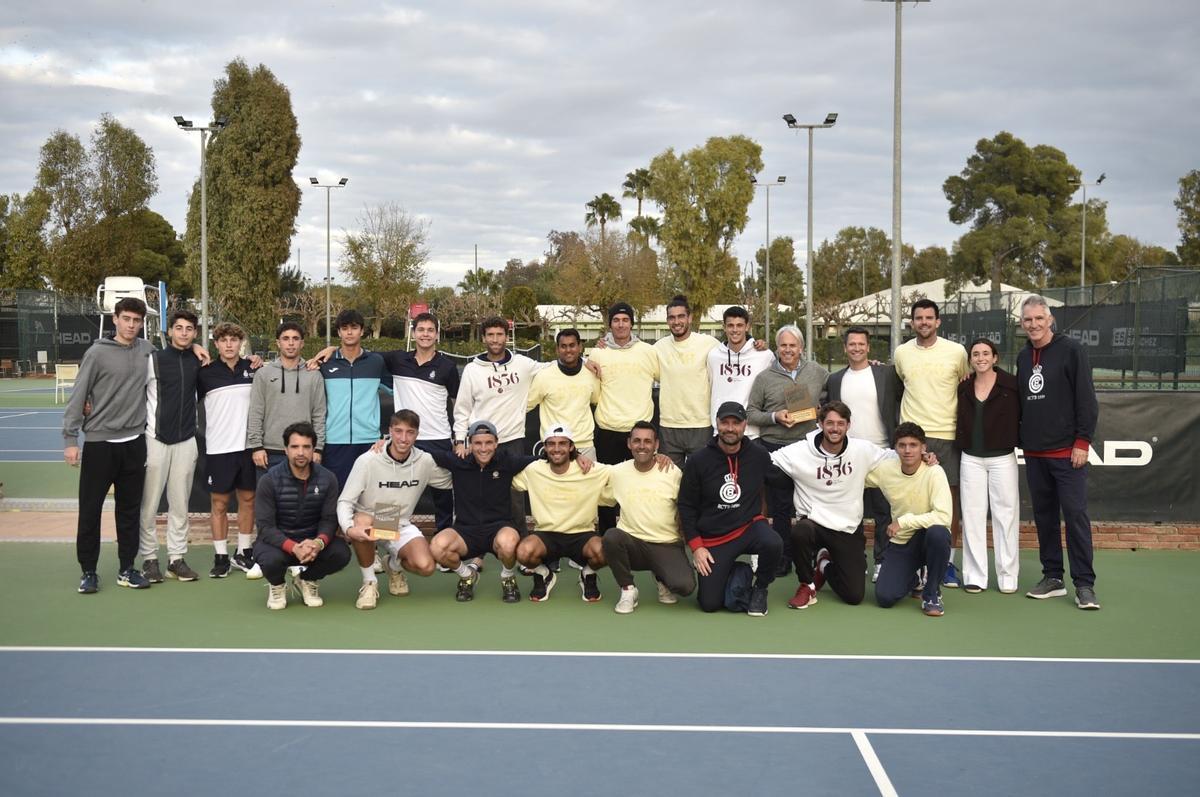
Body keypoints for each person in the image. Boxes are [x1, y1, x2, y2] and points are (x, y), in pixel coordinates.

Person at [63, 297, 157, 593]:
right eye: (126, 319)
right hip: (100, 444)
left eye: (137, 321)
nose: (131, 325)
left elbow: (174, 357)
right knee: (90, 510)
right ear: (115, 319)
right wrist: (70, 439)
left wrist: (195, 346)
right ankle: (88, 571)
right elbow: (79, 395)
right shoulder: (97, 353)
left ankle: (127, 569)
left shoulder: (148, 351)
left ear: (142, 324)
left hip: (134, 444)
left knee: (129, 512)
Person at [1017, 294, 1100, 610]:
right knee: (1045, 518)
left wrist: (1082, 441)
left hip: (1067, 453)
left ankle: (1084, 585)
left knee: (1076, 516)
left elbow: (1086, 399)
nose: (1034, 325)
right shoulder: (1025, 357)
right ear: (1022, 324)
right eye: (1028, 320)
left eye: (1039, 318)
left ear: (1050, 319)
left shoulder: (1071, 350)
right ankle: (1053, 577)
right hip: (1035, 454)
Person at [769, 401, 895, 611]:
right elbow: (766, 461)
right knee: (801, 530)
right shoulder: (800, 451)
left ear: (848, 425)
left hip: (847, 527)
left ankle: (824, 565)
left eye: (840, 423)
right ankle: (807, 585)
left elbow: (894, 456)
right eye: (829, 423)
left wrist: (926, 457)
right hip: (813, 524)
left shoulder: (862, 449)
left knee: (854, 595)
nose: (835, 428)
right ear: (820, 424)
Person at [677, 401, 783, 616]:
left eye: (736, 423)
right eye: (725, 422)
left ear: (745, 425)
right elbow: (686, 505)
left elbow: (783, 482)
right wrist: (696, 546)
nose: (730, 428)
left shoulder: (759, 456)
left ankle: (761, 588)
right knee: (709, 604)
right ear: (717, 424)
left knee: (773, 542)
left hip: (748, 528)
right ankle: (737, 571)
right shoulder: (698, 460)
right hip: (715, 538)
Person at [338, 410, 449, 609]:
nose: (403, 438)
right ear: (389, 431)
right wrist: (348, 528)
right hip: (369, 518)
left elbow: (451, 481)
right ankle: (369, 582)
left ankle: (393, 565)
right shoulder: (368, 460)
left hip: (399, 523)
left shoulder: (425, 461)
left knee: (426, 566)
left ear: (417, 435)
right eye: (398, 431)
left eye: (410, 432)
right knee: (361, 521)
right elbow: (345, 501)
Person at [892, 299, 969, 588]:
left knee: (948, 504)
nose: (923, 322)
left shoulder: (957, 352)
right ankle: (911, 564)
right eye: (918, 318)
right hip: (913, 438)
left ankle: (946, 563)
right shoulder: (901, 353)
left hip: (947, 437)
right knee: (911, 501)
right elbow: (900, 385)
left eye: (929, 318)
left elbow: (966, 381)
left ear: (938, 322)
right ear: (912, 323)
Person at [821, 326, 902, 583]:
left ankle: (882, 561)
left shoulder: (886, 374)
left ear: (868, 347)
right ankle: (854, 560)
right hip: (849, 456)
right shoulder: (835, 380)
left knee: (883, 512)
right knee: (850, 514)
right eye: (851, 344)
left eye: (861, 344)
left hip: (882, 453)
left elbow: (903, 398)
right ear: (845, 348)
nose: (856, 348)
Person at [746, 325, 828, 574]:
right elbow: (751, 412)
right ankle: (783, 556)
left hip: (807, 446)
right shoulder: (764, 378)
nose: (788, 350)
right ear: (777, 348)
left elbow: (834, 393)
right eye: (783, 345)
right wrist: (774, 416)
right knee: (780, 507)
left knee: (811, 505)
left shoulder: (817, 372)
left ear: (801, 348)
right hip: (775, 448)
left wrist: (818, 411)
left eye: (793, 345)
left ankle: (813, 553)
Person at [453, 316, 546, 536]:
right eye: (491, 335)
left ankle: (521, 546)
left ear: (507, 336)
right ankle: (474, 551)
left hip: (512, 441)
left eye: (500, 334)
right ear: (484, 338)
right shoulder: (472, 370)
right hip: (481, 445)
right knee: (476, 497)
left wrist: (586, 361)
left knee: (515, 499)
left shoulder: (523, 364)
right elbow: (462, 409)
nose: (495, 340)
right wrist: (460, 441)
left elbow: (552, 367)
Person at [427, 420, 537, 603]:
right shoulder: (457, 461)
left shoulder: (507, 461)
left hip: (499, 528)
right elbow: (422, 451)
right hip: (465, 531)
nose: (483, 448)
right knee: (437, 547)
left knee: (509, 543)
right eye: (478, 443)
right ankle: (467, 576)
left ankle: (508, 577)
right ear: (470, 443)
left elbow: (546, 458)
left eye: (488, 443)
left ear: (496, 443)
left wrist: (577, 454)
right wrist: (387, 443)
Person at [253, 422, 350, 610]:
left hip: (311, 543)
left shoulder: (328, 478)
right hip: (279, 544)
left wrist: (317, 543)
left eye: (306, 447)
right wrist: (293, 547)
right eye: (295, 447)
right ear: (286, 450)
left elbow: (329, 519)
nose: (300, 452)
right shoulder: (269, 480)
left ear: (313, 449)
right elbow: (265, 526)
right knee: (270, 560)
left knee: (341, 553)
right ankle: (277, 585)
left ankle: (306, 579)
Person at [137, 310, 203, 584]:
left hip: (186, 441)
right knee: (149, 504)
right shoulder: (153, 360)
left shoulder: (200, 361)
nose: (184, 333)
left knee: (180, 504)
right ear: (170, 332)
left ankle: (176, 559)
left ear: (195, 334)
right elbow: (131, 391)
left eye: (189, 329)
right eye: (179, 328)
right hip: (155, 439)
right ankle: (149, 559)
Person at [601, 422, 696, 614]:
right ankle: (628, 590)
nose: (642, 446)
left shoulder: (671, 472)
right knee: (611, 537)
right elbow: (588, 476)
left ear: (656, 445)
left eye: (647, 441)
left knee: (685, 587)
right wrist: (578, 457)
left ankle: (661, 576)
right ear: (629, 444)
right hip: (632, 544)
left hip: (666, 544)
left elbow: (687, 506)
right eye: (637, 441)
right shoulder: (617, 472)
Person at [513, 424, 613, 602]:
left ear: (571, 447)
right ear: (544, 447)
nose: (556, 449)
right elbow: (505, 474)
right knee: (523, 553)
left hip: (582, 535)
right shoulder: (533, 470)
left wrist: (655, 457)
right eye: (551, 444)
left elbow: (625, 472)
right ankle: (544, 574)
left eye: (562, 443)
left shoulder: (591, 469)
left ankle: (588, 574)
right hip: (546, 535)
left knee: (604, 551)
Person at [955, 338, 1020, 594]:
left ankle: (1007, 575)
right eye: (975, 354)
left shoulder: (1011, 384)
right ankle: (975, 575)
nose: (980, 358)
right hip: (970, 458)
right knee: (972, 516)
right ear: (970, 360)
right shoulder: (963, 387)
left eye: (985, 353)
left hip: (1002, 458)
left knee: (1006, 516)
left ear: (995, 358)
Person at [587, 301, 659, 531]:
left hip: (638, 432)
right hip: (608, 431)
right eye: (616, 320)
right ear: (610, 325)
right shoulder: (598, 352)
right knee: (607, 488)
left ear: (632, 324)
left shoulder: (648, 352)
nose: (621, 324)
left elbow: (670, 376)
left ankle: (639, 534)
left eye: (625, 320)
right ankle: (607, 536)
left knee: (640, 487)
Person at [868, 422, 953, 617]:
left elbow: (944, 516)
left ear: (924, 448)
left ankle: (931, 593)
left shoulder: (934, 472)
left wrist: (904, 522)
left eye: (913, 445)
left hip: (927, 538)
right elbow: (854, 477)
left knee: (939, 533)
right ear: (895, 448)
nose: (907, 450)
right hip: (901, 542)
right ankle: (915, 578)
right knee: (884, 597)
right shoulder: (885, 470)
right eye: (902, 445)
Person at [196, 322, 260, 579]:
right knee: (220, 504)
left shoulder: (254, 368)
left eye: (234, 339)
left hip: (248, 449)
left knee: (248, 501)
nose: (229, 344)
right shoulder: (205, 373)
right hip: (219, 449)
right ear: (216, 343)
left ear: (240, 342)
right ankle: (221, 556)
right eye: (224, 340)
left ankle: (243, 552)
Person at [317, 309, 389, 490]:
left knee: (372, 496)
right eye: (345, 328)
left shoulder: (376, 362)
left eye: (354, 327)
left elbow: (401, 393)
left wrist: (388, 436)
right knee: (337, 497)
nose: (349, 332)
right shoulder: (325, 363)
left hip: (370, 442)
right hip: (334, 442)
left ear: (362, 331)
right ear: (339, 332)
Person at [247, 322, 327, 476]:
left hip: (303, 451)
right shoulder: (263, 374)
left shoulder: (314, 375)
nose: (291, 343)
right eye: (286, 338)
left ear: (302, 343)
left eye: (295, 338)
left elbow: (319, 414)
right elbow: (256, 412)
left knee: (302, 500)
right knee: (269, 500)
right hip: (269, 453)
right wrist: (256, 447)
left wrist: (318, 448)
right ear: (278, 343)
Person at [654, 295, 719, 466]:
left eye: (681, 316)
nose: (676, 321)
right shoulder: (658, 348)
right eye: (672, 317)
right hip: (669, 425)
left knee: (702, 478)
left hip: (701, 424)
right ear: (667, 320)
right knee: (670, 479)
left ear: (689, 318)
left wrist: (754, 343)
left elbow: (735, 353)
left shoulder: (709, 344)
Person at [527, 328, 600, 460]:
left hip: (584, 444)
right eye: (563, 346)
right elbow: (528, 404)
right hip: (555, 447)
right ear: (557, 349)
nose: (568, 350)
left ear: (580, 347)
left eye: (572, 345)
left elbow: (595, 400)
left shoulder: (591, 374)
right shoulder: (544, 376)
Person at [707, 306, 775, 439]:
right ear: (724, 327)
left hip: (751, 432)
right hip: (720, 431)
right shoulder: (713, 356)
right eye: (730, 325)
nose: (735, 330)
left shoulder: (764, 355)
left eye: (739, 325)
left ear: (747, 326)